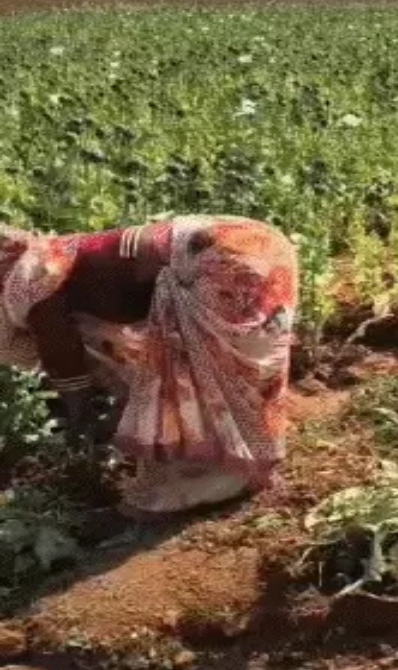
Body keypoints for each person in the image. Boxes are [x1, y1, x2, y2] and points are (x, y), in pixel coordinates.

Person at [0, 215, 298, 520]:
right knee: (234, 369)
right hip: (255, 240)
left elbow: (64, 363)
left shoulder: (31, 281)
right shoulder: (54, 257)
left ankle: (204, 486)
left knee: (191, 380)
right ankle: (248, 464)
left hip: (217, 258)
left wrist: (80, 423)